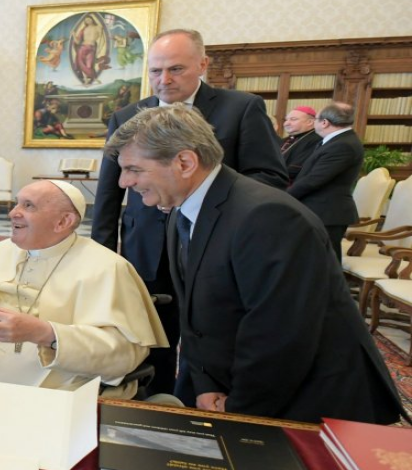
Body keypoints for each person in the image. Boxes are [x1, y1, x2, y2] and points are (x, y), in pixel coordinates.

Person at [108, 104, 404, 424]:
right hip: (235, 385)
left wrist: (240, 408)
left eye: (134, 169)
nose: (124, 182)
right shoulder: (181, 209)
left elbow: (280, 335)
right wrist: (205, 383)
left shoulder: (269, 217)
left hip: (310, 403)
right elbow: (196, 316)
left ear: (184, 162)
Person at [91, 29, 288, 400]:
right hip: (146, 244)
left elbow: (270, 177)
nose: (164, 80)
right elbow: (109, 191)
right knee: (150, 332)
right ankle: (158, 404)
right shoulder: (127, 116)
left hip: (212, 245)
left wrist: (202, 201)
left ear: (202, 64)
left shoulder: (241, 108)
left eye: (176, 69)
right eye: (155, 71)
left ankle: (200, 401)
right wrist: (101, 253)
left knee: (209, 328)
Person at [0, 180, 168, 396]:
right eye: (16, 203)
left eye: (28, 206)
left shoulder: (108, 268)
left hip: (54, 394)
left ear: (63, 222)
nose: (12, 213)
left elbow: (125, 354)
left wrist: (45, 334)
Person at [288, 102, 364, 263]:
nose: (314, 122)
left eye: (315, 119)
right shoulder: (336, 141)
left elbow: (314, 180)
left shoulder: (343, 145)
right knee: (315, 261)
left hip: (327, 212)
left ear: (324, 122)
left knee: (326, 263)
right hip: (320, 210)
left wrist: (284, 197)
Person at [280, 105, 322, 183]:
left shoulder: (316, 140)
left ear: (310, 122)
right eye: (286, 120)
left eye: (293, 119)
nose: (286, 123)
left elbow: (297, 169)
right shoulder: (284, 140)